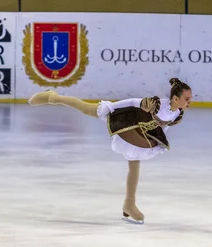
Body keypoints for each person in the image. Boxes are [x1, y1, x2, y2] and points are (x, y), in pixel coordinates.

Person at [28, 78, 192, 224]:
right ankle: (53, 97)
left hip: (137, 130)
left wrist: (155, 144)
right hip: (124, 116)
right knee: (87, 109)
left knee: (135, 164)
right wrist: (112, 108)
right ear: (175, 98)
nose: (189, 102)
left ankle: (129, 204)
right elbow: (133, 103)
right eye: (186, 99)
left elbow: (162, 127)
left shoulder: (177, 114)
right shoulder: (155, 104)